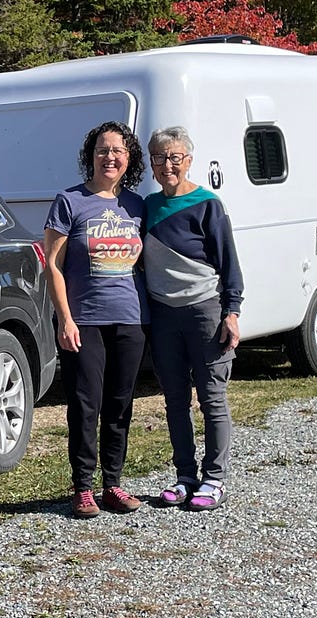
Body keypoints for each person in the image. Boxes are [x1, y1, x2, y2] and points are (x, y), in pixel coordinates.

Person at [43, 121, 149, 518]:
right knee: (85, 405)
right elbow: (52, 265)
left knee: (120, 405)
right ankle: (83, 487)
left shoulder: (137, 205)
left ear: (129, 158)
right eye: (102, 150)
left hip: (131, 318)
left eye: (118, 150)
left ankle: (113, 485)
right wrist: (64, 319)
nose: (110, 157)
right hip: (84, 320)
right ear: (91, 156)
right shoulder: (69, 202)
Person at [143, 126, 243, 512]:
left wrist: (231, 312)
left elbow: (229, 262)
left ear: (188, 160)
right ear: (151, 162)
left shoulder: (208, 205)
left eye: (175, 157)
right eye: (159, 157)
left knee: (212, 398)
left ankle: (214, 479)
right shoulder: (148, 207)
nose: (167, 165)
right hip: (163, 316)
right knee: (175, 400)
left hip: (205, 312)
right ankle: (185, 476)